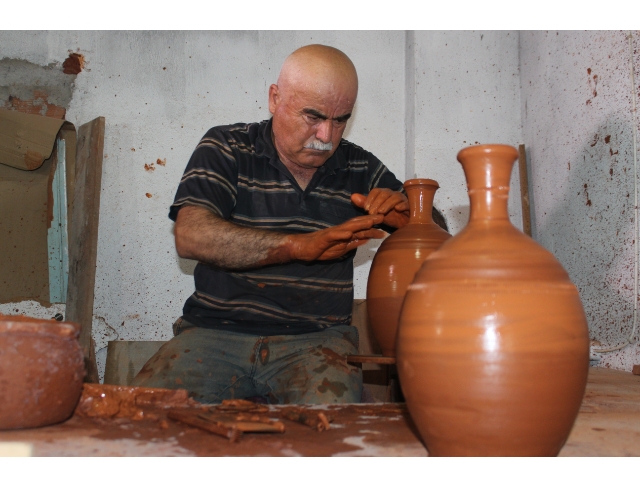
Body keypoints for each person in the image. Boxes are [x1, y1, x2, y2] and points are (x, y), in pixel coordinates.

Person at [133, 44, 437, 404]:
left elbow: (438, 238)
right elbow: (191, 235)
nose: (326, 135)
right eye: (313, 116)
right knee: (141, 420)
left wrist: (410, 218)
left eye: (340, 120)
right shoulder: (228, 147)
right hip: (214, 333)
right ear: (275, 98)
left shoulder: (359, 167)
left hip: (317, 341)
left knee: (332, 432)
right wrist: (298, 246)